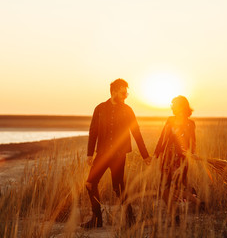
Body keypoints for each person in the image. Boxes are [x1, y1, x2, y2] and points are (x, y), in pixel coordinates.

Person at [81, 78, 152, 229]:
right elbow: (93, 132)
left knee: (118, 188)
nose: (126, 96)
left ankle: (130, 219)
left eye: (127, 93)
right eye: (123, 93)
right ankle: (96, 219)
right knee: (89, 183)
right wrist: (89, 153)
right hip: (102, 154)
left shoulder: (127, 110)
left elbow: (136, 133)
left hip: (119, 155)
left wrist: (145, 155)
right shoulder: (100, 108)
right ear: (114, 91)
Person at [154, 96, 201, 215]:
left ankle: (193, 203)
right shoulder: (170, 120)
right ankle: (191, 204)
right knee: (164, 189)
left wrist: (192, 155)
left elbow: (192, 142)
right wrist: (155, 154)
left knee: (172, 189)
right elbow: (162, 138)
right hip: (167, 158)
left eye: (173, 105)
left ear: (181, 106)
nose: (172, 107)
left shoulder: (190, 124)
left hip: (181, 160)